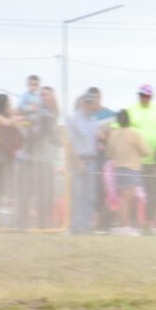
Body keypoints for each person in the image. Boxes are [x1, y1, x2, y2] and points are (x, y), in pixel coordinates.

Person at [127, 85, 156, 231]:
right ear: (138, 95)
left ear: (151, 96)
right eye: (142, 95)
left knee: (154, 193)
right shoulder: (131, 110)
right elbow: (121, 130)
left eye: (147, 95)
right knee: (134, 194)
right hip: (135, 162)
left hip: (154, 162)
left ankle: (149, 223)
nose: (144, 98)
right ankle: (132, 222)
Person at [18, 86, 60, 229]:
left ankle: (43, 223)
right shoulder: (36, 112)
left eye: (47, 95)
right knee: (25, 193)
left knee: (46, 194)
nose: (44, 97)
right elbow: (23, 119)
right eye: (42, 95)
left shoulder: (51, 114)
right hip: (30, 160)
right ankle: (22, 224)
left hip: (45, 160)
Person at [105, 109, 149, 235]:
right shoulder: (135, 133)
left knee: (122, 198)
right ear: (129, 119)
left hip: (118, 169)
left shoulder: (114, 134)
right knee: (127, 199)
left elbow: (109, 152)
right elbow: (146, 151)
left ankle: (123, 224)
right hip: (131, 169)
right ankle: (125, 226)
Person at [0, 93, 24, 226]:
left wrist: (16, 117)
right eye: (8, 104)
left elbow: (17, 126)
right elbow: (4, 122)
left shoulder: (11, 116)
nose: (10, 106)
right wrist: (14, 119)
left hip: (7, 157)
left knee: (2, 189)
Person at [67, 92, 102, 234]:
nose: (88, 105)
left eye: (90, 102)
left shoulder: (94, 121)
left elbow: (95, 141)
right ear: (82, 103)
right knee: (78, 195)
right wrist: (77, 162)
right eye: (86, 102)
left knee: (90, 195)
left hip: (92, 161)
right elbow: (69, 143)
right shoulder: (73, 119)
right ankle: (77, 225)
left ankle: (86, 226)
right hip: (79, 160)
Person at [87, 86, 116, 232]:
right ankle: (94, 220)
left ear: (100, 98)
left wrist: (106, 135)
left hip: (107, 157)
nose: (94, 102)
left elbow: (115, 133)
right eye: (91, 99)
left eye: (96, 98)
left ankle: (106, 221)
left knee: (107, 188)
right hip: (91, 157)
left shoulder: (110, 114)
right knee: (93, 188)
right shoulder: (86, 115)